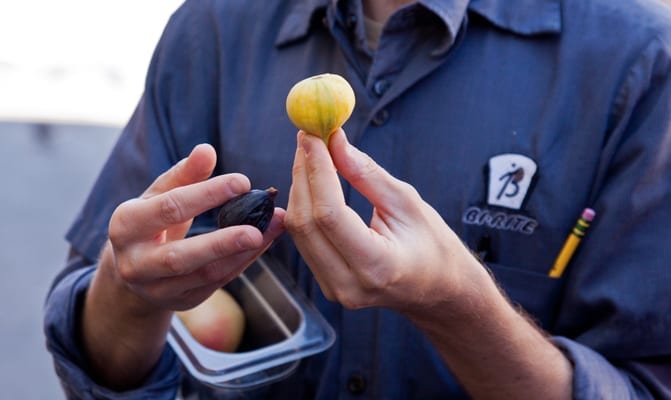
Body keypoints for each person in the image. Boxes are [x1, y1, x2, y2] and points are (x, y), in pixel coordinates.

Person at [44, 0, 671, 398]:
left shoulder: (637, 63)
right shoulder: (211, 30)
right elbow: (97, 348)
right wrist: (128, 297)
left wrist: (459, 305)